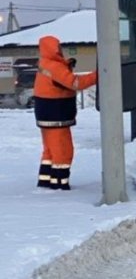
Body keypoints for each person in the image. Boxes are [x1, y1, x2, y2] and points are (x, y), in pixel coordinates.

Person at [33, 36, 98, 190]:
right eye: (58, 47)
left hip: (46, 115)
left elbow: (58, 80)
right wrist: (98, 75)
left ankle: (46, 181)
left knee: (50, 152)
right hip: (57, 115)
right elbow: (76, 83)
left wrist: (66, 65)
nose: (60, 49)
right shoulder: (55, 67)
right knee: (63, 151)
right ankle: (60, 184)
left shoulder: (45, 63)